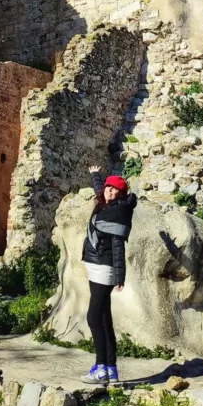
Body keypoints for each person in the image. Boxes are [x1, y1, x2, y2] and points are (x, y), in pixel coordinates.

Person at [81, 165, 137, 385]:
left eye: (116, 191)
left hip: (104, 268)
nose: (110, 192)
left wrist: (119, 277)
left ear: (121, 195)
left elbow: (118, 248)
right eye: (109, 188)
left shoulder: (118, 212)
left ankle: (101, 368)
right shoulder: (105, 202)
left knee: (94, 318)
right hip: (95, 265)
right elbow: (99, 190)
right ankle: (111, 369)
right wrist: (96, 175)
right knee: (104, 318)